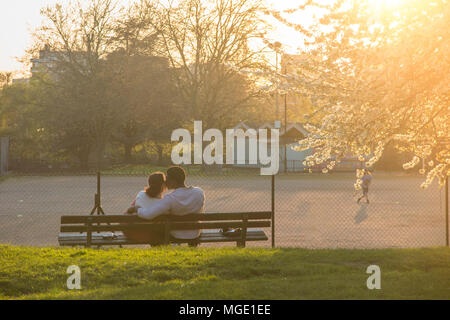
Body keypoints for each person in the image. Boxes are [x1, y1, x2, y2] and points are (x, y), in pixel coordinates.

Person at [127, 166, 205, 241]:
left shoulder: (170, 199)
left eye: (167, 179)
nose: (165, 182)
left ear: (173, 181)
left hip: (177, 234)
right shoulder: (199, 192)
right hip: (195, 232)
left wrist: (137, 209)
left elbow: (148, 215)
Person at [123, 172, 167, 245]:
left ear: (149, 183)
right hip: (153, 235)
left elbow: (131, 209)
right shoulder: (164, 202)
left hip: (135, 233)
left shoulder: (141, 194)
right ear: (163, 185)